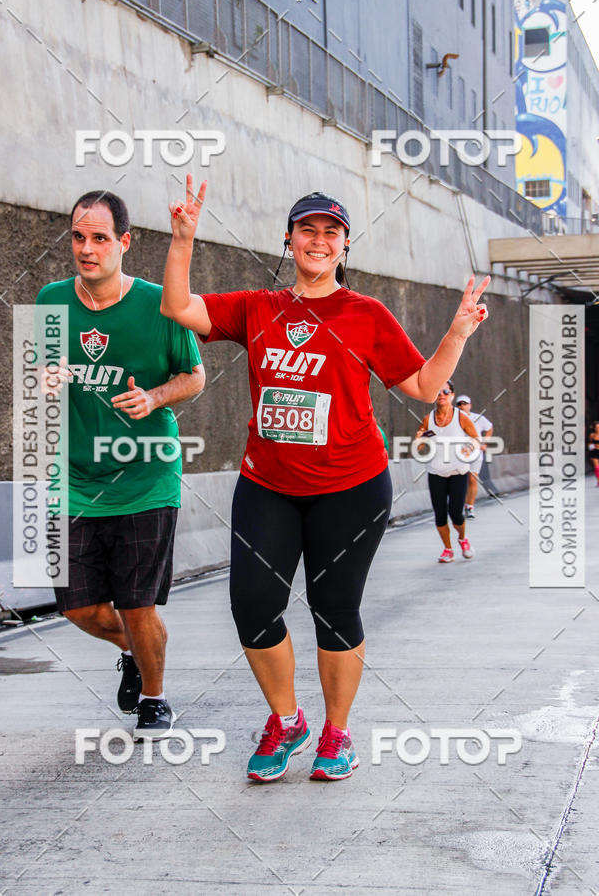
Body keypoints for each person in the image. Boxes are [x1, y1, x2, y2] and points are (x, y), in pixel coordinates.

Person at [161, 175, 489, 781]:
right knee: (253, 606)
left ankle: (337, 734)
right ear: (289, 240)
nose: (318, 240)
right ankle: (287, 721)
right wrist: (182, 239)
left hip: (351, 488)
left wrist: (458, 333)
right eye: (307, 229)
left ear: (344, 245)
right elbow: (179, 308)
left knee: (334, 609)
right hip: (268, 486)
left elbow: (422, 386)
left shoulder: (365, 314)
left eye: (330, 232)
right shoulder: (258, 307)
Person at [36, 190, 204, 739]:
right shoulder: (50, 300)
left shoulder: (159, 304)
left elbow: (194, 376)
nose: (87, 249)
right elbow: (40, 379)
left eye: (100, 238)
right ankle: (135, 651)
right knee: (78, 608)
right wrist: (46, 380)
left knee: (137, 604)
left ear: (124, 242)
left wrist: (154, 397)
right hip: (75, 480)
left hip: (145, 475)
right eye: (78, 237)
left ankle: (155, 698)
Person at [415, 381, 480, 562]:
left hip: (458, 471)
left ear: (452, 395)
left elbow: (476, 438)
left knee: (456, 513)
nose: (441, 395)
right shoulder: (429, 419)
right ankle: (448, 549)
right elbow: (421, 442)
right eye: (438, 391)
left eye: (445, 391)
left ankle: (462, 539)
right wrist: (420, 440)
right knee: (440, 514)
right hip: (435, 471)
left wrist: (469, 447)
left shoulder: (461, 417)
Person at [455, 395, 493, 518]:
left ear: (470, 405)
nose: (462, 406)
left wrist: (485, 442)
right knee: (460, 481)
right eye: (459, 404)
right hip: (459, 454)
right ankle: (458, 506)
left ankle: (470, 506)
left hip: (476, 453)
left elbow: (489, 428)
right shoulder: (452, 419)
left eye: (465, 404)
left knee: (472, 479)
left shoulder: (478, 418)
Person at [588, 421, 599, 485]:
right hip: (594, 452)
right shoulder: (592, 435)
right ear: (594, 428)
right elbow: (590, 443)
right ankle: (598, 481)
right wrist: (590, 447)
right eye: (597, 427)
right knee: (597, 468)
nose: (598, 428)